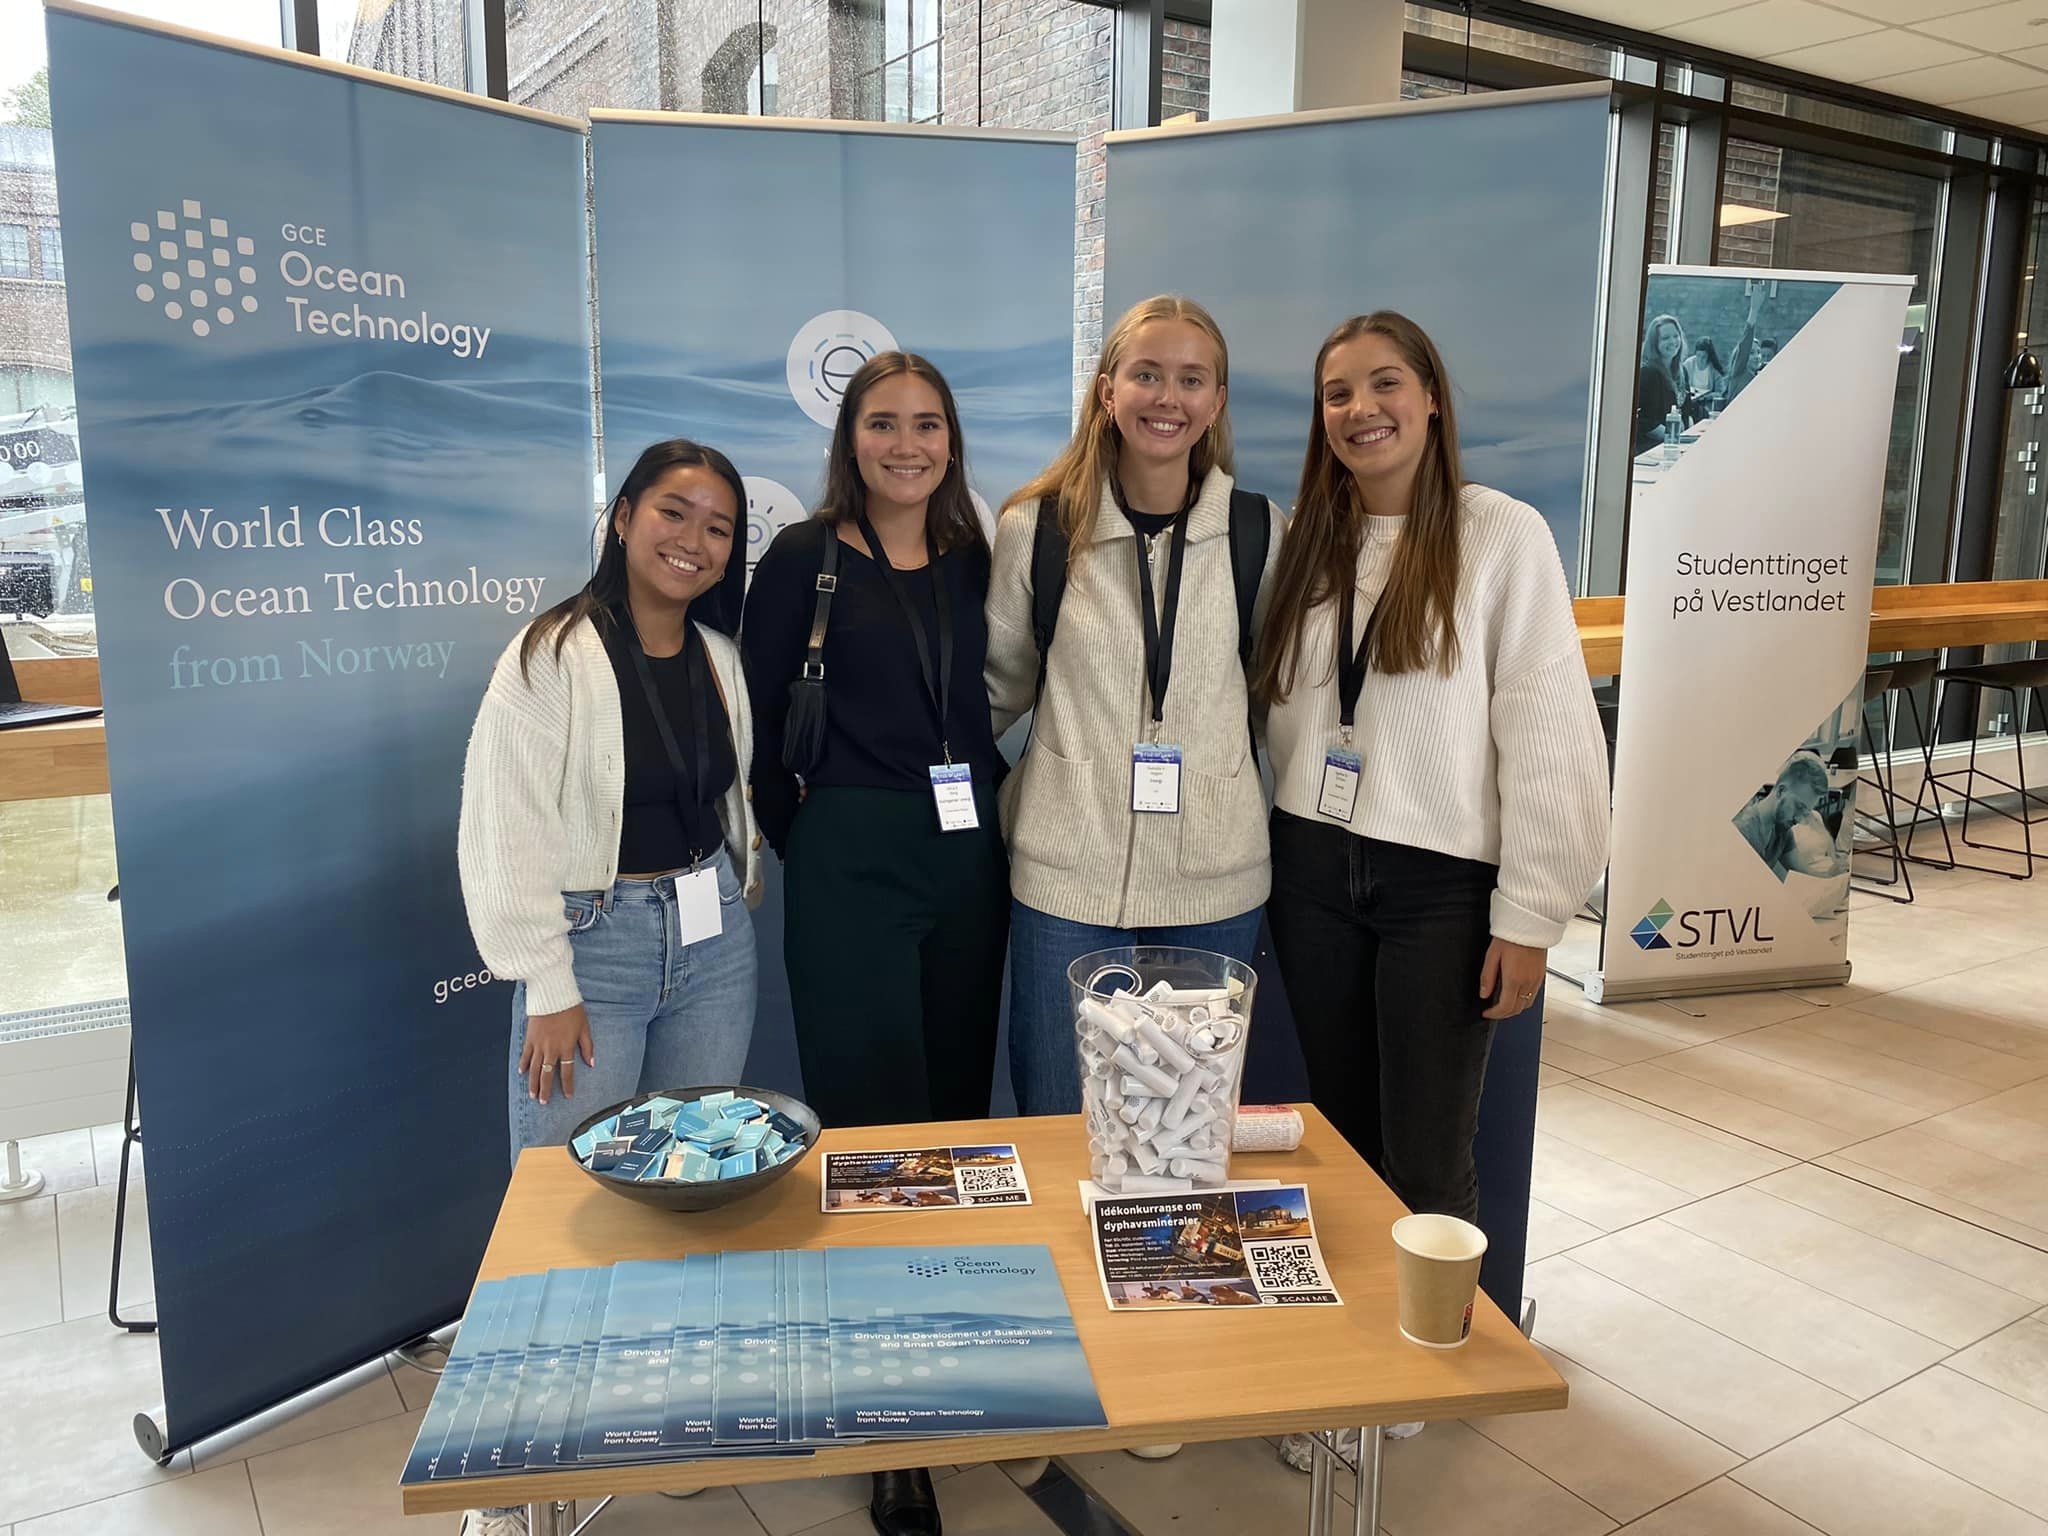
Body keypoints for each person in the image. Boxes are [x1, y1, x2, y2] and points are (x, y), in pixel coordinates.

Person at [456, 439, 764, 1536]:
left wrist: (737, 888)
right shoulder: (551, 654)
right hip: (594, 950)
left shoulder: (720, 657)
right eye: (673, 513)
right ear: (623, 516)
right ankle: (510, 1479)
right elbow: (502, 824)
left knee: (689, 1187)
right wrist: (546, 980)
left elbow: (728, 800)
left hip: (712, 940)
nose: (692, 541)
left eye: (717, 527)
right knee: (559, 1208)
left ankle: (658, 1408)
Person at [1258, 308, 1607, 1235]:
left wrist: (1532, 914)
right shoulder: (1306, 542)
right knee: (1340, 1141)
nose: (1361, 409)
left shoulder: (1502, 536)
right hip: (1312, 871)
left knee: (1427, 1161)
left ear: (1433, 400)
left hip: (1440, 888)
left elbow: (1548, 732)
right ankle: (1357, 1323)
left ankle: (1437, 1326)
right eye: (1337, 394)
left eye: (1385, 384)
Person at [743, 352, 1008, 1536]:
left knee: (948, 1119)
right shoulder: (801, 559)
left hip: (967, 860)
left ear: (950, 440)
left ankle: (944, 1351)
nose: (907, 445)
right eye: (883, 423)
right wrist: (814, 836)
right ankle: (888, 1425)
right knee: (870, 1132)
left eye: (927, 424)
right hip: (849, 860)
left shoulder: (971, 557)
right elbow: (758, 730)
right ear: (849, 437)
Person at [985, 294, 1285, 1118]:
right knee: (1059, 1118)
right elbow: (997, 689)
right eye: (1147, 374)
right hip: (1065, 885)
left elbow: (1274, 696)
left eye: (1192, 379)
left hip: (1214, 888)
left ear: (1216, 401)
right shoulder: (1038, 530)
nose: (1168, 398)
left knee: (1186, 1130)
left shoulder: (1259, 532)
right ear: (1107, 390)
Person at [1734, 753, 1840, 880]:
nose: (1799, 819)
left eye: (1805, 812)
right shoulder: (1744, 831)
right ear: (1780, 791)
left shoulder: (1782, 830)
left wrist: (1833, 876)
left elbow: (1804, 872)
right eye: (1799, 807)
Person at [1633, 313, 1687, 455]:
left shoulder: (1682, 372)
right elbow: (1640, 420)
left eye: (1676, 336)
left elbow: (1686, 410)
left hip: (1675, 446)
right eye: (1665, 338)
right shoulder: (1648, 373)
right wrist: (1669, 434)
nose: (1673, 341)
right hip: (1651, 451)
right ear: (1654, 343)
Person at [1680, 337, 1724, 423]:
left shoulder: (1714, 370)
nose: (1700, 360)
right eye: (1698, 356)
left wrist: (1706, 396)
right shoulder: (1688, 364)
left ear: (1708, 357)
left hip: (1705, 405)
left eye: (1703, 357)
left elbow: (1720, 393)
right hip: (1689, 402)